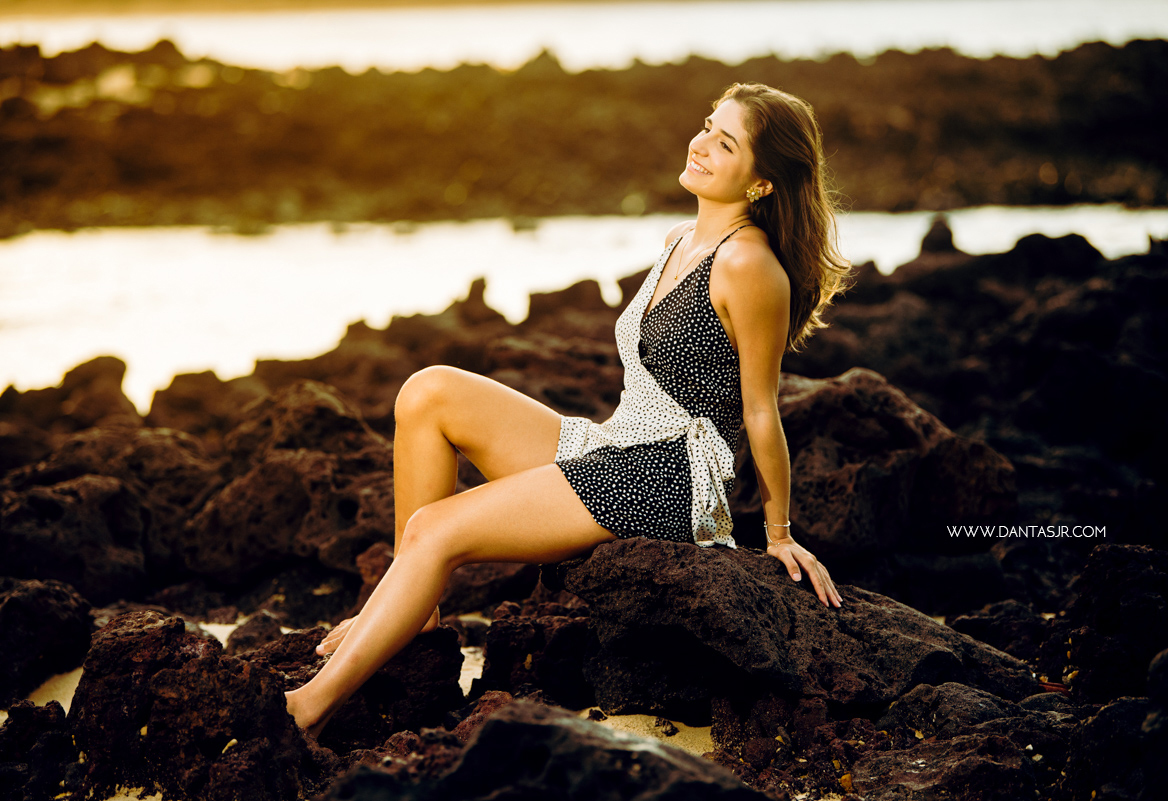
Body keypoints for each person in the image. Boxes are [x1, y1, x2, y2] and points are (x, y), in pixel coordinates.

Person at [285, 82, 851, 738]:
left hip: (673, 477)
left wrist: (777, 532)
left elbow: (760, 410)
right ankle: (414, 610)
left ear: (762, 184)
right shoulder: (678, 239)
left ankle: (307, 706)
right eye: (707, 125)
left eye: (726, 144)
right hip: (619, 444)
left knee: (432, 529)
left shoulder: (749, 266)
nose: (700, 144)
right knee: (428, 391)